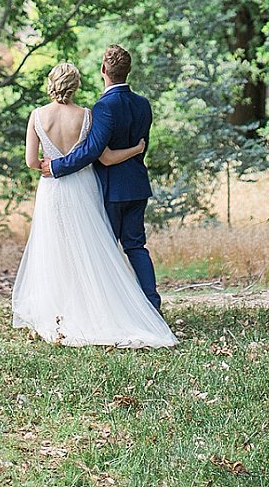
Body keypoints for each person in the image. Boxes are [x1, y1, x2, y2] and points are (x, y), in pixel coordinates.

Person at [12, 60, 176, 348]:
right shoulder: (87, 115)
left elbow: (29, 161)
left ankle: (59, 312)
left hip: (52, 188)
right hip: (84, 187)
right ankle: (113, 308)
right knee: (91, 249)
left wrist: (49, 167)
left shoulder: (37, 116)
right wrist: (137, 149)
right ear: (76, 86)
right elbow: (100, 155)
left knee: (56, 249)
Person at [41, 44, 163, 314]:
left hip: (110, 190)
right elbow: (142, 145)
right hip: (137, 186)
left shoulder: (104, 107)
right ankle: (152, 306)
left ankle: (113, 310)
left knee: (105, 251)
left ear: (103, 71)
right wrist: (132, 151)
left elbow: (93, 152)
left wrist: (57, 166)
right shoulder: (143, 105)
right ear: (127, 71)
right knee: (136, 246)